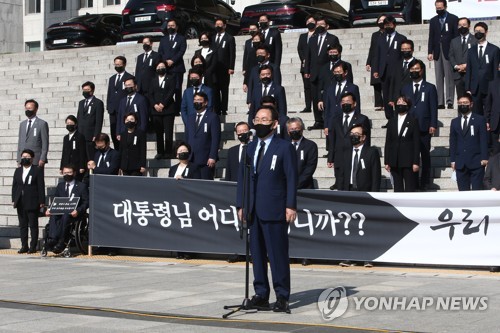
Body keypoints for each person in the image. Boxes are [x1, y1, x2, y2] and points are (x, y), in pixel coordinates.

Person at [236, 105, 297, 313]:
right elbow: (243, 178)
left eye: (264, 119)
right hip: (253, 209)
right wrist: (241, 204)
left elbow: (291, 178)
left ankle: (282, 296)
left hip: (275, 208)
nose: (260, 123)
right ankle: (261, 294)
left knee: (277, 254)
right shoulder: (251, 147)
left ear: (274, 123)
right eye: (257, 119)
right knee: (257, 254)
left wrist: (290, 205)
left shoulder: (284, 147)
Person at [401, 59, 438, 191]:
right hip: (409, 127)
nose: (414, 71)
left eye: (417, 69)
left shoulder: (430, 87)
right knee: (412, 156)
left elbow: (433, 107)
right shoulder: (405, 87)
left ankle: (425, 181)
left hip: (424, 126)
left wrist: (433, 123)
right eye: (412, 69)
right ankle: (413, 182)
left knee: (425, 155)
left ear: (422, 70)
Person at [327, 92, 371, 190]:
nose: (345, 104)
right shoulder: (335, 119)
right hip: (339, 157)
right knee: (340, 186)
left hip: (354, 157)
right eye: (343, 102)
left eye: (348, 101)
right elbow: (332, 139)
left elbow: (366, 140)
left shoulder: (362, 119)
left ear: (354, 103)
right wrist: (330, 157)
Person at [304, 15, 340, 130]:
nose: (319, 27)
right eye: (317, 25)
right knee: (315, 98)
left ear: (327, 26)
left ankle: (329, 119)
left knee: (327, 97)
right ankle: (318, 120)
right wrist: (306, 70)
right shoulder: (313, 39)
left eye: (322, 25)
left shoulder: (332, 39)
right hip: (314, 73)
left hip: (327, 73)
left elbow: (336, 55)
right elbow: (308, 56)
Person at [45, 164, 89, 254]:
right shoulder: (60, 186)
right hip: (60, 211)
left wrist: (78, 210)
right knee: (53, 216)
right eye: (65, 173)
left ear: (74, 173)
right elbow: (55, 200)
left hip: (74, 214)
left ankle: (61, 241)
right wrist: (50, 209)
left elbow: (86, 202)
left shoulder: (81, 186)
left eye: (69, 172)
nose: (67, 174)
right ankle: (53, 238)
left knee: (65, 216)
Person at [373, 15, 407, 125]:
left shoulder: (401, 38)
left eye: (390, 25)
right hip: (384, 71)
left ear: (394, 25)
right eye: (386, 25)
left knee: (396, 94)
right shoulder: (381, 38)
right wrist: (376, 69)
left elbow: (403, 56)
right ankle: (389, 118)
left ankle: (398, 116)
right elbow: (376, 55)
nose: (388, 27)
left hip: (397, 71)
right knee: (386, 95)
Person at [450, 94, 489, 191]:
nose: (462, 105)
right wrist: (453, 160)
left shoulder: (480, 120)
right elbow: (453, 141)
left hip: (476, 161)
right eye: (460, 103)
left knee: (477, 191)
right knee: (463, 193)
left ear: (471, 104)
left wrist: (484, 157)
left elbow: (483, 140)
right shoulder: (454, 122)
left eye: (465, 103)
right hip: (460, 163)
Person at [11, 149, 45, 254]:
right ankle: (24, 246)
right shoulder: (18, 170)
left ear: (32, 158)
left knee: (33, 225)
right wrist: (14, 199)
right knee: (23, 225)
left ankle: (33, 246)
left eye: (27, 157)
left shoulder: (37, 170)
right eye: (23, 156)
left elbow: (41, 186)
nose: (25, 158)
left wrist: (42, 201)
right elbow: (15, 186)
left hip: (32, 201)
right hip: (20, 201)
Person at [384, 96, 420, 192]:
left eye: (403, 103)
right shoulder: (391, 121)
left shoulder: (413, 121)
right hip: (394, 160)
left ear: (408, 106)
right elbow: (388, 142)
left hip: (408, 160)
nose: (400, 105)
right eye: (398, 103)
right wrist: (387, 161)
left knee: (409, 187)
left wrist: (416, 162)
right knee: (397, 187)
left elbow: (416, 143)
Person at [427, 0, 459, 109]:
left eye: (440, 8)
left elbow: (456, 36)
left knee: (449, 77)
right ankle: (440, 102)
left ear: (445, 6)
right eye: (437, 8)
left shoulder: (453, 18)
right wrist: (429, 52)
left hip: (449, 50)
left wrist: (455, 51)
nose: (438, 9)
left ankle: (449, 101)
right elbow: (431, 37)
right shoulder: (433, 20)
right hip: (437, 51)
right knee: (439, 76)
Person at [465, 22, 500, 115]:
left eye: (480, 31)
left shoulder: (494, 49)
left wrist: (496, 87)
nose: (478, 33)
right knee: (476, 113)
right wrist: (468, 87)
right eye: (476, 31)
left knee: (490, 112)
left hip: (489, 86)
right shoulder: (471, 50)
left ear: (486, 32)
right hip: (475, 88)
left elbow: (495, 70)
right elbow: (469, 70)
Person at [185, 92, 221, 180]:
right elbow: (187, 137)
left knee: (205, 184)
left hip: (206, 159)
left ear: (205, 102)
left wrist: (213, 156)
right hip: (191, 158)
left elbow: (215, 138)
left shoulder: (212, 117)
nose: (196, 102)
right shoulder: (190, 117)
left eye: (199, 100)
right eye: (195, 100)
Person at [338, 124, 381, 192]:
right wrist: (340, 191)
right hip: (348, 190)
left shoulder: (371, 152)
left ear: (363, 137)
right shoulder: (346, 152)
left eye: (356, 134)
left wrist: (374, 194)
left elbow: (376, 176)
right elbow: (341, 175)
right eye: (351, 134)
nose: (353, 136)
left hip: (365, 191)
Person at [158, 18, 187, 114]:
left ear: (177, 27)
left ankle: (178, 109)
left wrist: (173, 60)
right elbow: (160, 52)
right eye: (169, 26)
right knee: (166, 89)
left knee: (177, 89)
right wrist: (165, 62)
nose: (170, 27)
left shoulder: (181, 38)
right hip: (166, 69)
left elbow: (181, 51)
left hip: (177, 68)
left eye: (172, 25)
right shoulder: (163, 39)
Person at [148, 61, 176, 159]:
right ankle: (160, 152)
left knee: (168, 131)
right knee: (158, 132)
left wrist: (163, 104)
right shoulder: (153, 80)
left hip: (168, 109)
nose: (160, 68)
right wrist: (154, 104)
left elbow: (171, 91)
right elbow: (150, 94)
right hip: (156, 110)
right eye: (159, 66)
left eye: (162, 66)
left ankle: (168, 151)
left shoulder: (171, 78)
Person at [106, 56, 133, 149]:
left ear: (124, 64)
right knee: (113, 131)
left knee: (123, 130)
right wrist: (109, 106)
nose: (117, 66)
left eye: (119, 64)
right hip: (113, 110)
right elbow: (110, 93)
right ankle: (117, 149)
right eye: (115, 64)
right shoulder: (112, 78)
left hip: (123, 110)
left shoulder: (129, 77)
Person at [212, 17, 236, 116]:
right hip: (214, 68)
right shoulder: (212, 38)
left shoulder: (229, 38)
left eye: (220, 24)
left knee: (224, 89)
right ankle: (216, 108)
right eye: (217, 24)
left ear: (225, 26)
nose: (218, 26)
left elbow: (232, 53)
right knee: (215, 89)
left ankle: (224, 109)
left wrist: (231, 67)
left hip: (225, 68)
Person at [448, 17, 477, 100]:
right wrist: (456, 66)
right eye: (460, 25)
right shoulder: (454, 41)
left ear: (469, 26)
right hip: (458, 74)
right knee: (460, 99)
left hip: (471, 74)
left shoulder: (475, 40)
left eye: (464, 25)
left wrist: (467, 65)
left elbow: (477, 55)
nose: (462, 27)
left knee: (472, 99)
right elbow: (451, 55)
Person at [287, 117, 318, 190]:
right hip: (286, 187)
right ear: (288, 131)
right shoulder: (284, 145)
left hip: (304, 187)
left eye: (297, 128)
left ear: (301, 129)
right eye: (291, 129)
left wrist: (296, 184)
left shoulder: (310, 145)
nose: (294, 131)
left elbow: (310, 167)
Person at [17, 99, 49, 168]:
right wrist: (18, 159)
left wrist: (42, 158)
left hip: (36, 159)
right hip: (23, 159)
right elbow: (20, 142)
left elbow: (45, 143)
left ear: (36, 109)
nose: (28, 110)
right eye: (26, 108)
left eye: (30, 108)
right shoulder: (22, 124)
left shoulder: (42, 124)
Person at [77, 81, 104, 160]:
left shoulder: (98, 103)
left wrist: (96, 135)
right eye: (84, 90)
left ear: (92, 91)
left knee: (91, 157)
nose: (85, 92)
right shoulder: (81, 103)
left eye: (87, 90)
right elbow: (78, 118)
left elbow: (99, 120)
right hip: (81, 134)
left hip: (90, 136)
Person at [366, 14, 387, 111]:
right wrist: (368, 62)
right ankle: (379, 103)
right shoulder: (375, 35)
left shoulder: (389, 34)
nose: (381, 22)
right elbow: (372, 49)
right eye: (380, 20)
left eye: (384, 20)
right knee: (376, 83)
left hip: (386, 61)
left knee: (385, 83)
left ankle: (387, 102)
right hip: (375, 61)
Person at [388, 39, 416, 108]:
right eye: (403, 49)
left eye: (407, 49)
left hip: (411, 97)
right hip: (398, 99)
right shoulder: (396, 64)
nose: (405, 51)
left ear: (412, 50)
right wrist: (391, 98)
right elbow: (392, 81)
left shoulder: (417, 64)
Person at [297, 15, 316, 114]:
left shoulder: (317, 35)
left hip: (315, 65)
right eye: (308, 21)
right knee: (307, 87)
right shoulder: (303, 36)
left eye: (312, 21)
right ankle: (308, 106)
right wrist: (304, 59)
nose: (310, 23)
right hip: (305, 65)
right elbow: (300, 49)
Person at [60, 115, 87, 182]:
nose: (69, 125)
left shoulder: (80, 136)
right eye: (68, 123)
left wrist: (82, 166)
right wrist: (62, 167)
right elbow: (64, 153)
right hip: (67, 165)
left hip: (76, 165)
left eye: (71, 123)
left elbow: (82, 152)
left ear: (75, 124)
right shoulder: (66, 138)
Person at [485, 65, 500, 155]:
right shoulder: (492, 83)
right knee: (495, 150)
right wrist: (487, 120)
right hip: (495, 121)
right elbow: (488, 104)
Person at [243, 25, 262, 93]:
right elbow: (246, 57)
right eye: (250, 29)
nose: (252, 31)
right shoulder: (248, 44)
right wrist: (244, 68)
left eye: (254, 29)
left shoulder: (265, 51)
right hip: (251, 70)